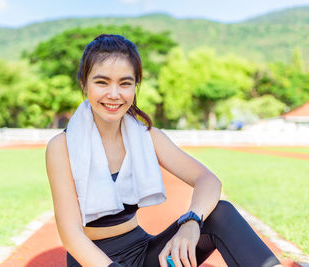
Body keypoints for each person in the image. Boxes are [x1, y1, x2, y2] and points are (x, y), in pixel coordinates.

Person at [45, 34, 282, 267]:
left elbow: (208, 180)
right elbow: (71, 234)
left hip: (143, 253)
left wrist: (191, 222)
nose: (114, 94)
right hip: (92, 261)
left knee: (221, 213)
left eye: (125, 83)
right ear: (84, 84)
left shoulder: (147, 137)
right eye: (102, 82)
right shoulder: (61, 146)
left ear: (135, 86)